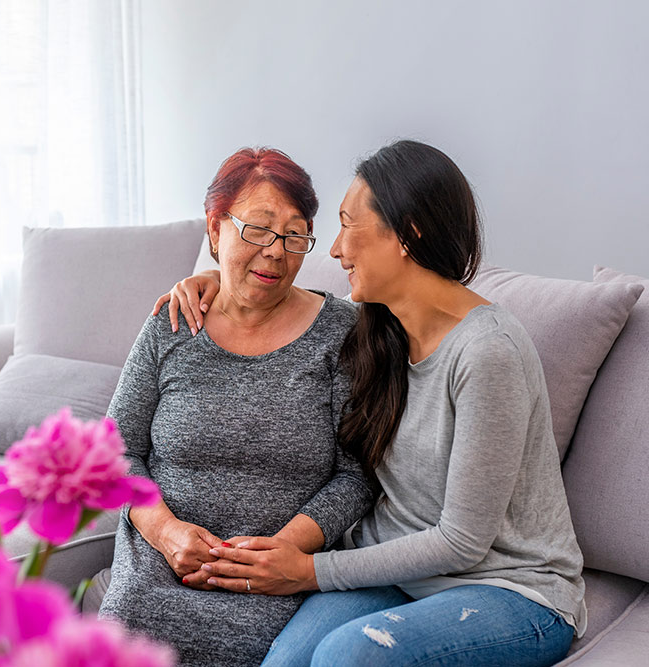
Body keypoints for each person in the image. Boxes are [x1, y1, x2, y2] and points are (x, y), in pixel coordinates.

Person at [155, 140, 586, 666]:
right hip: (401, 575)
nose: (335, 250)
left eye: (346, 224)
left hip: (509, 590)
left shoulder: (487, 352)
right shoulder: (380, 328)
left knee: (351, 655)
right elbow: (284, 307)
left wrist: (309, 571)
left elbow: (463, 543)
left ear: (407, 233)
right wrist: (210, 282)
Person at [97, 147, 374, 666]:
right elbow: (114, 454)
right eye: (258, 229)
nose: (276, 251)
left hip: (276, 582)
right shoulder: (172, 323)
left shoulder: (342, 334)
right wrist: (165, 531)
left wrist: (283, 553)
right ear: (215, 227)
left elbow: (357, 475)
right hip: (158, 569)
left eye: (294, 234)